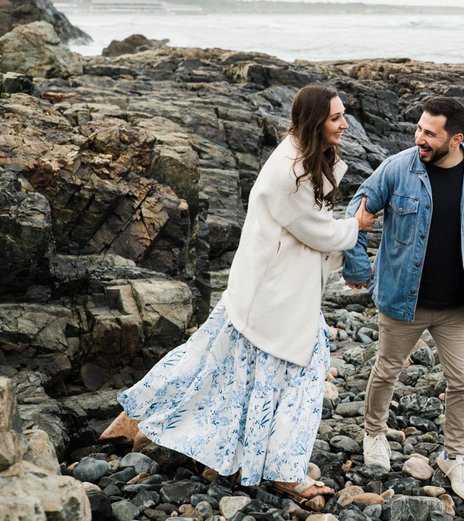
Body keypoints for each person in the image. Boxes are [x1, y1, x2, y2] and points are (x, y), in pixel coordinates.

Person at [100, 83, 377, 511]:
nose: (344, 124)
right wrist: (356, 226)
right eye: (336, 117)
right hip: (273, 295)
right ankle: (284, 471)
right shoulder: (287, 171)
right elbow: (318, 231)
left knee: (211, 354)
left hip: (263, 288)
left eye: (343, 115)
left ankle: (136, 416)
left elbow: (310, 225)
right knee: (302, 368)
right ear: (314, 121)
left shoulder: (304, 158)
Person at [342, 96, 464, 503]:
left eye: (429, 133)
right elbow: (357, 210)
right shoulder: (398, 168)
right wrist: (357, 269)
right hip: (404, 299)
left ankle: (454, 456)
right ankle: (374, 434)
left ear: (456, 139)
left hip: (459, 304)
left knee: (463, 382)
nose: (419, 137)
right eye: (419, 128)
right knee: (386, 371)